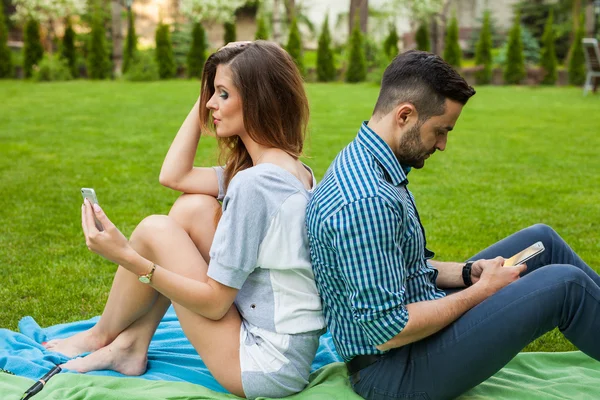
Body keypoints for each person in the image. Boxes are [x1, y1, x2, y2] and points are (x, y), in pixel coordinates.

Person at [306, 50, 600, 400]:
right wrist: (481, 291)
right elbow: (389, 331)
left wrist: (467, 272)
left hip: (411, 340)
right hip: (395, 373)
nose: (443, 144)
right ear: (405, 115)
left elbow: (388, 264)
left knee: (542, 241)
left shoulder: (367, 160)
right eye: (440, 130)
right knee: (565, 286)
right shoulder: (366, 200)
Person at [44, 41, 325, 399]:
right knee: (190, 209)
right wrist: (213, 84)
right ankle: (130, 344)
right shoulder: (283, 167)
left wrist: (128, 258)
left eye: (222, 94)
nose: (210, 104)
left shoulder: (256, 185)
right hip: (282, 341)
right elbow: (174, 176)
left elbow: (214, 303)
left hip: (264, 365)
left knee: (153, 230)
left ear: (256, 101)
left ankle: (103, 335)